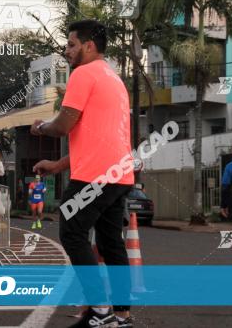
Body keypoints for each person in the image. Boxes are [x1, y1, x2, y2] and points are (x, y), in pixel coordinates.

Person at [30, 20, 134, 328]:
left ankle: (99, 311)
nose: (67, 50)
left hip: (95, 176)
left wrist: (41, 127)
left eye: (72, 44)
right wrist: (58, 165)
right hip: (119, 174)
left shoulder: (83, 74)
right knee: (111, 242)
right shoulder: (114, 79)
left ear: (89, 46)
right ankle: (121, 316)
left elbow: (63, 124)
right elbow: (95, 139)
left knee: (73, 233)